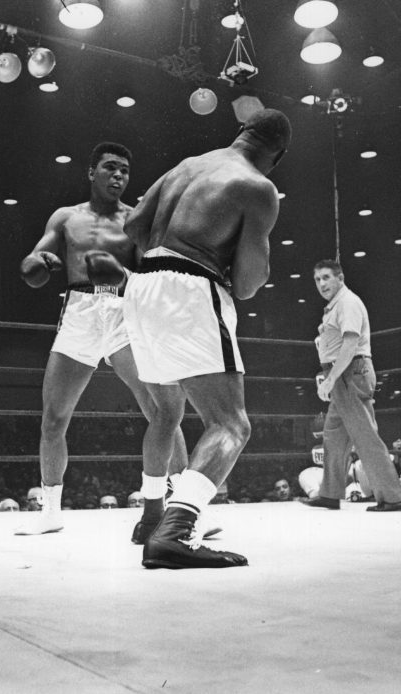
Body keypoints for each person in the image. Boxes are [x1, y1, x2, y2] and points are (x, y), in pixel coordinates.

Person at [120, 108, 291, 568]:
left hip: (140, 287)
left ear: (242, 133)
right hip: (189, 287)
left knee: (166, 414)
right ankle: (175, 532)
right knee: (231, 424)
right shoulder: (259, 187)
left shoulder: (187, 165)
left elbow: (134, 224)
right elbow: (251, 281)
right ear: (276, 155)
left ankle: (152, 514)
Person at [15, 142, 190, 539]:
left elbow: (155, 274)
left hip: (125, 312)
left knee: (162, 408)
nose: (119, 176)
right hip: (79, 312)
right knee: (54, 417)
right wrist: (37, 264)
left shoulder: (135, 219)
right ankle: (51, 511)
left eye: (125, 171)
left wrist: (128, 275)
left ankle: (182, 508)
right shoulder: (66, 217)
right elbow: (31, 261)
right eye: (110, 168)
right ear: (91, 171)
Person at [302, 259, 401, 512]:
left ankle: (393, 497)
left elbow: (350, 344)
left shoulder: (348, 303)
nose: (322, 284)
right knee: (334, 436)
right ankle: (329, 493)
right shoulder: (335, 306)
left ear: (340, 278)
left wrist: (329, 379)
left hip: (350, 373)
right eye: (317, 279)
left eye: (326, 277)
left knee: (365, 436)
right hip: (344, 375)